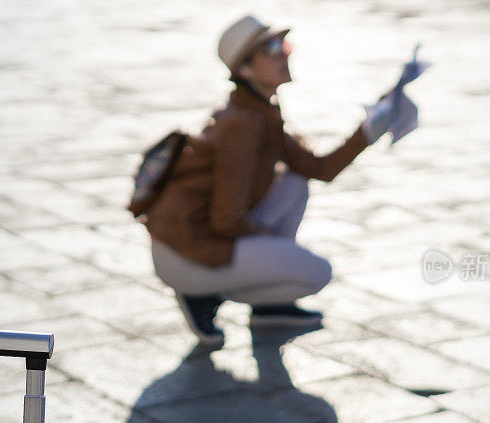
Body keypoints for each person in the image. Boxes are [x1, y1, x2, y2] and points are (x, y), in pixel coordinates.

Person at [145, 14, 399, 345]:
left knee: (295, 182)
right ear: (246, 69)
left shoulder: (261, 111)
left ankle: (269, 306)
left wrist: (371, 128)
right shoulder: (242, 124)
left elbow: (318, 169)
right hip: (186, 257)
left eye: (283, 44)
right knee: (317, 272)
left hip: (194, 241)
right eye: (272, 47)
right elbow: (226, 220)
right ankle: (204, 296)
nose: (284, 53)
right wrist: (268, 239)